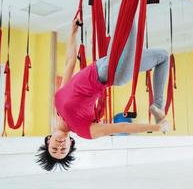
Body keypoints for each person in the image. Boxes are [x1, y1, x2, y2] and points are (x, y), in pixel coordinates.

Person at [36, 17, 170, 171]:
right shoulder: (84, 131)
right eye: (63, 150)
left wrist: (73, 32)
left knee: (163, 56)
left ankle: (158, 107)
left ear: (48, 140)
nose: (59, 146)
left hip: (103, 63)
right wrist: (156, 128)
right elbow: (122, 127)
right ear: (70, 143)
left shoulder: (58, 103)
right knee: (127, 20)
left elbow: (70, 61)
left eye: (54, 149)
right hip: (110, 73)